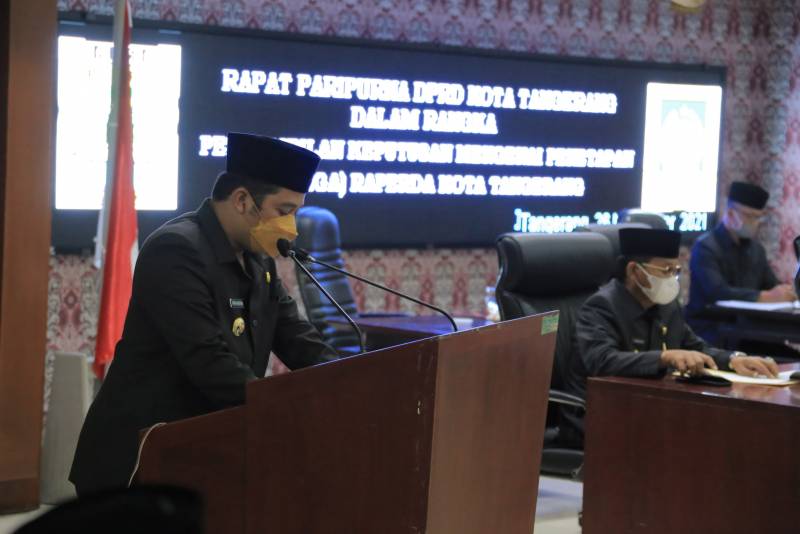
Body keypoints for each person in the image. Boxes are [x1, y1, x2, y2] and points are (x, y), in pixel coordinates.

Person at [70, 133, 338, 495]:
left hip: (205, 455)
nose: (291, 227)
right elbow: (209, 362)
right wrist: (280, 411)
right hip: (139, 459)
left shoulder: (259, 261)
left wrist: (351, 382)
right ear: (242, 200)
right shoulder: (176, 250)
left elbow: (297, 339)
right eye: (284, 211)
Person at [561, 228, 778, 445]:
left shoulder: (666, 305)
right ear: (634, 270)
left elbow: (695, 348)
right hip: (598, 417)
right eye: (666, 270)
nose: (672, 279)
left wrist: (733, 360)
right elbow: (602, 361)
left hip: (647, 411)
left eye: (676, 270)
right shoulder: (601, 307)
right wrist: (665, 358)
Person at [687, 181, 796, 344]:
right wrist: (765, 297)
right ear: (731, 214)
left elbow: (771, 284)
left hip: (748, 329)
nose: (756, 222)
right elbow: (717, 292)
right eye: (750, 216)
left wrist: (785, 292)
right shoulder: (705, 247)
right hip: (710, 329)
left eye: (759, 217)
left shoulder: (756, 249)